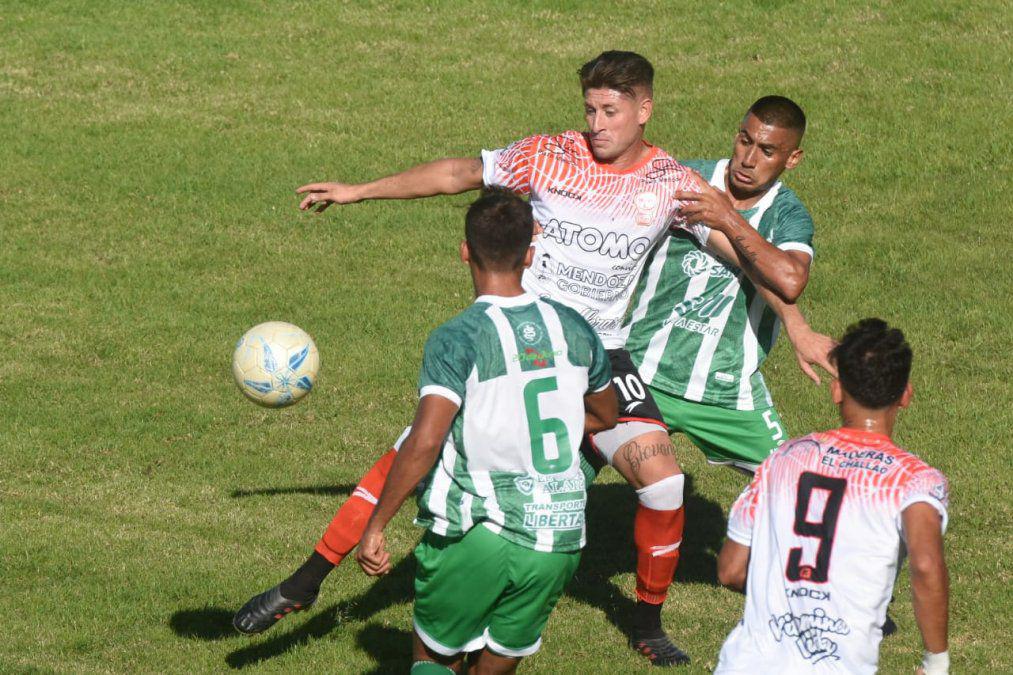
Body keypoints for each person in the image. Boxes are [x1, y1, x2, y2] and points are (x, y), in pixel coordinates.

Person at [234, 52, 826, 666]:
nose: (597, 124)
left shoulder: (672, 183)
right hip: (525, 340)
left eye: (611, 111)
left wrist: (791, 315)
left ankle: (646, 621)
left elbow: (764, 269)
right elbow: (459, 174)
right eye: (590, 109)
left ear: (644, 110)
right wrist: (359, 191)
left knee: (665, 482)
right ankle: (306, 581)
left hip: (601, 355)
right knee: (417, 446)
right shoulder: (548, 154)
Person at [354, 189, 617, 674]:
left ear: (465, 251)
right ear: (530, 255)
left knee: (435, 658)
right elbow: (605, 415)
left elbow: (425, 441)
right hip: (559, 535)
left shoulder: (458, 337)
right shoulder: (574, 327)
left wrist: (375, 526)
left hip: (478, 532)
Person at [714, 319, 950, 674]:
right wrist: (936, 662)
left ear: (837, 390)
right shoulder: (913, 481)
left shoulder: (782, 460)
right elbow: (927, 564)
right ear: (906, 395)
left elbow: (731, 570)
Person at [623, 95, 835, 475]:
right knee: (561, 466)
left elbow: (790, 280)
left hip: (727, 394)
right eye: (744, 140)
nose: (748, 159)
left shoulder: (788, 215)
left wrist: (727, 218)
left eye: (767, 151)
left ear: (793, 159)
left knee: (794, 484)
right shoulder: (687, 179)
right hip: (641, 372)